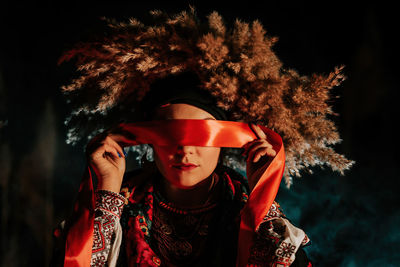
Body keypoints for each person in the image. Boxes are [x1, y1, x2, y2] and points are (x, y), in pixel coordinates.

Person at [54, 8, 353, 267]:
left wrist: (263, 195)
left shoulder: (253, 215)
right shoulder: (116, 208)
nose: (185, 150)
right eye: (169, 134)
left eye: (202, 135)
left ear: (227, 140)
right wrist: (106, 192)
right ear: (147, 139)